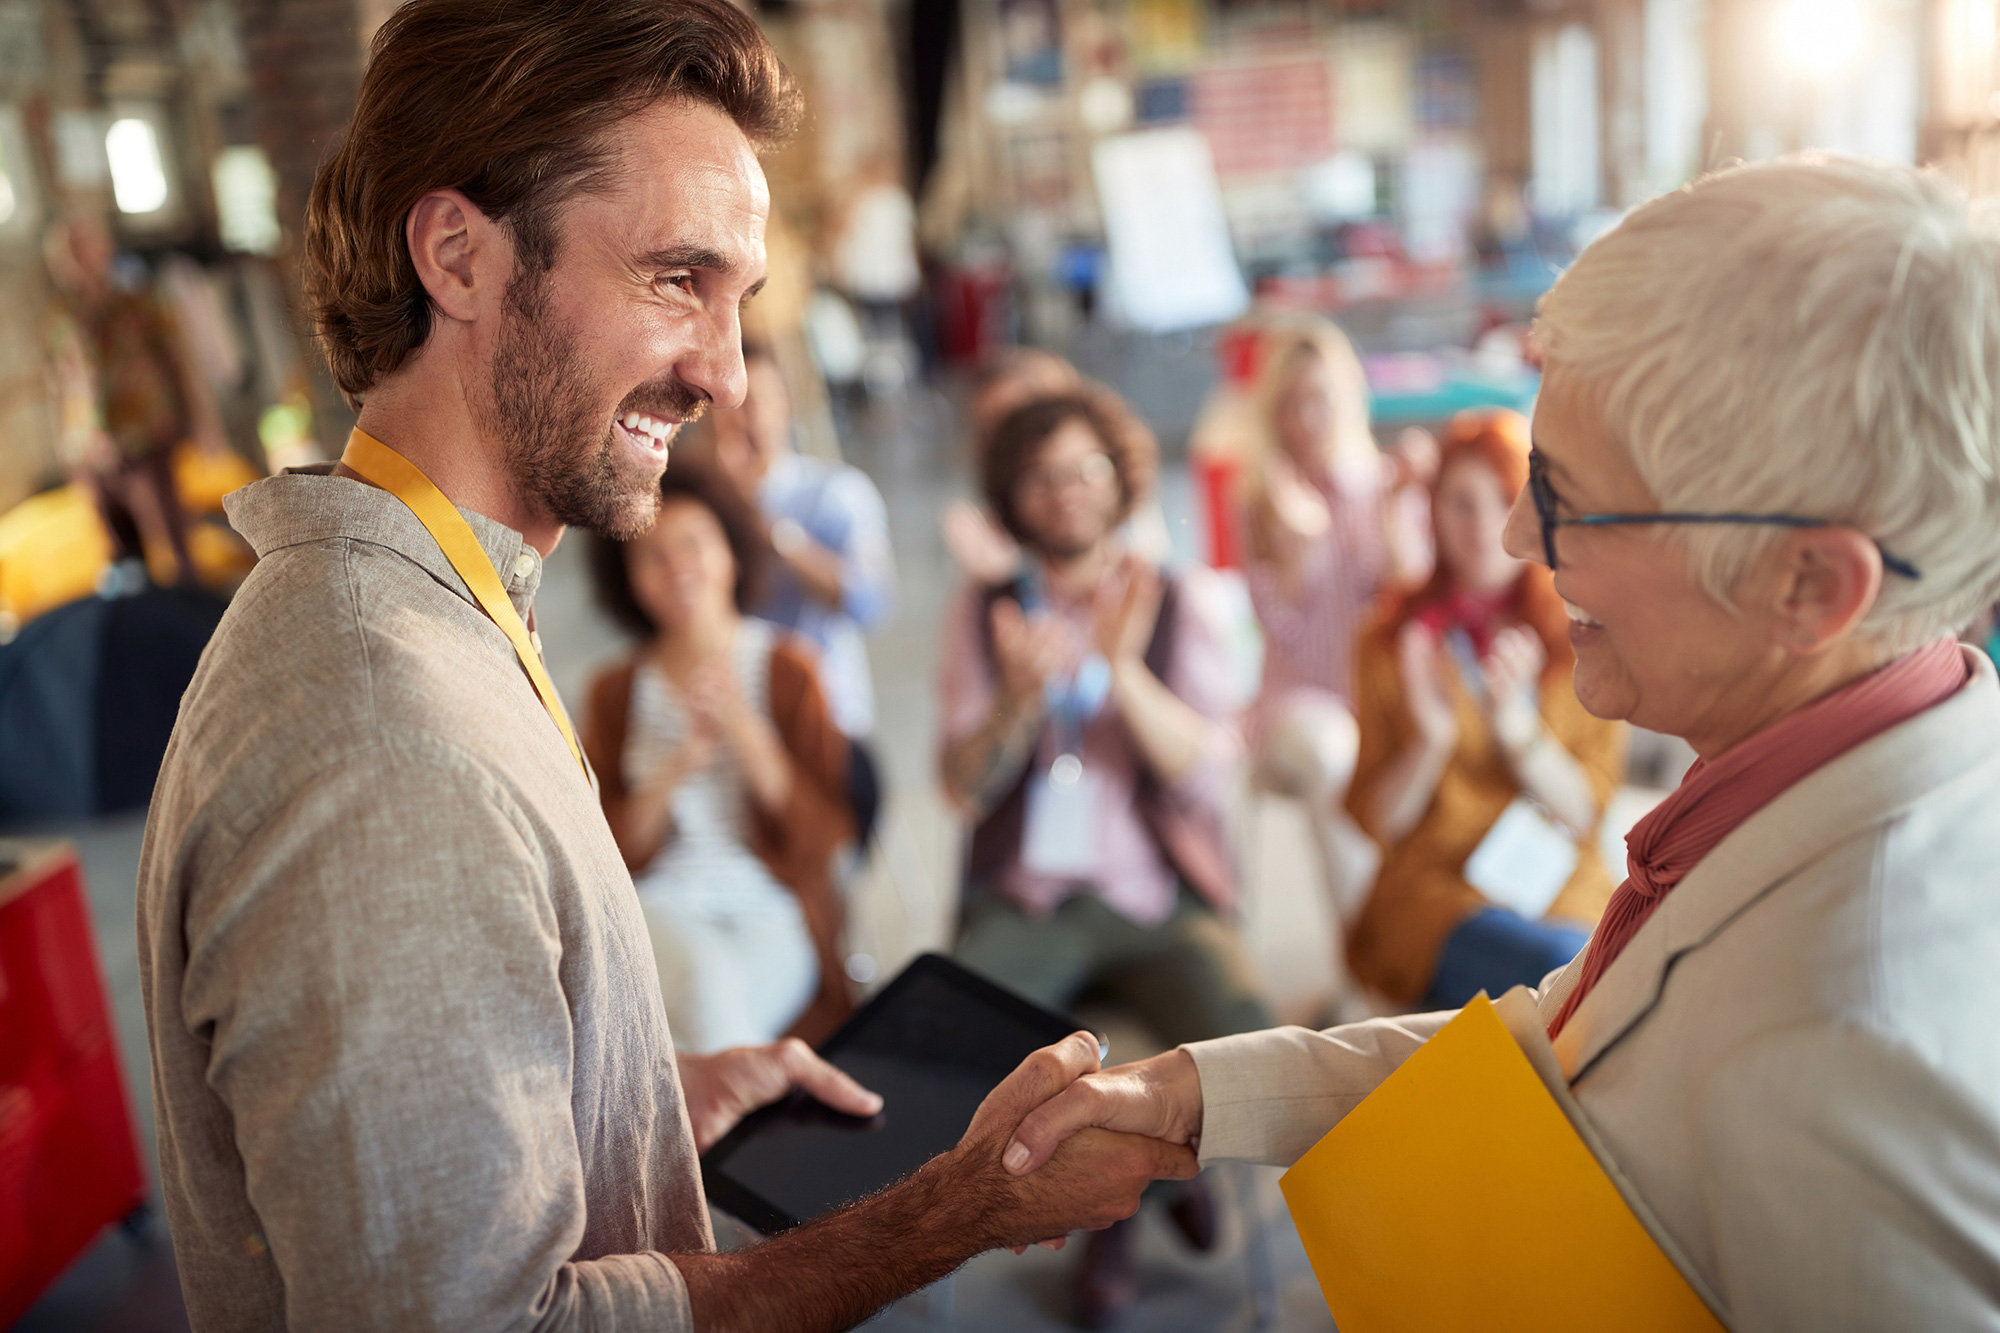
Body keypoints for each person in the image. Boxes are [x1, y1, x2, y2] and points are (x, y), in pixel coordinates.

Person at [136, 4, 1194, 1330]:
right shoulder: (379, 736)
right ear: (459, 255)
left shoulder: (435, 617)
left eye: (738, 299)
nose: (730, 377)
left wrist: (634, 1107)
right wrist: (946, 1216)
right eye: (673, 278)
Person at [994, 157, 2000, 1329]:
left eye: (1568, 499)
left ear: (1808, 582)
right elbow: (1560, 1048)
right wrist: (1188, 1092)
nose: (1521, 535)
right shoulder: (1826, 772)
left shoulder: (1853, 1046)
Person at [938, 387, 1272, 1326]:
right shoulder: (983, 610)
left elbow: (1208, 776)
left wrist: (1123, 673)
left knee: (1245, 1030)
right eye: (1043, 476)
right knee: (946, 1048)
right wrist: (1012, 700)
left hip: (1154, 890)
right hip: (1032, 896)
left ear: (1118, 477)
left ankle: (1136, 1206)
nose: (1067, 492)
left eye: (1085, 469)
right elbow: (961, 786)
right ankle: (1140, 1196)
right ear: (1014, 493)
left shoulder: (1178, 598)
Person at [1341, 409, 1625, 1008]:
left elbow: (1587, 813)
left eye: (1503, 501)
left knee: (1605, 969)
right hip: (1437, 891)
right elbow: (1378, 823)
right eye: (1461, 504)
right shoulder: (1392, 637)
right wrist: (1431, 741)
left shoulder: (1586, 627)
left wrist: (1520, 734)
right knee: (1559, 978)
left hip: (1560, 885)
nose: (1484, 527)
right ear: (1433, 509)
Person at [582, 465, 852, 1051]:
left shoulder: (789, 669)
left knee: (702, 1023)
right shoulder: (615, 691)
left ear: (731, 554)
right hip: (662, 907)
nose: (676, 567)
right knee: (704, 988)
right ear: (628, 578)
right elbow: (605, 857)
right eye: (652, 555)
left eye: (693, 545)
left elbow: (825, 839)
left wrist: (747, 735)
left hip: (773, 913)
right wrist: (679, 763)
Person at [1236, 316, 1433, 923]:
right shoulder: (1261, 504)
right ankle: (1365, 952)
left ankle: (1422, 938)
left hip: (1378, 697)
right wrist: (1301, 552)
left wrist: (1402, 510)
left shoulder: (1383, 487)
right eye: (1292, 404)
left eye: (1320, 400)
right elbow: (1280, 633)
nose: (1308, 420)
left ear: (1347, 399)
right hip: (1296, 705)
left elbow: (1412, 606)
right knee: (1333, 753)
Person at [710, 341, 895, 741]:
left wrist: (770, 529)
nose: (742, 420)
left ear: (785, 405)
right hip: (735, 728)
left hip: (828, 716)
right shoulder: (698, 509)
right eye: (727, 407)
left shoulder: (837, 492)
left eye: (754, 402)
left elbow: (870, 602)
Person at [43, 215, 225, 591]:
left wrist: (204, 424)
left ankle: (190, 614)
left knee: (173, 545)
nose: (75, 262)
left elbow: (180, 364)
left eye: (82, 250)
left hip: (146, 437)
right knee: (122, 557)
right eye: (65, 256)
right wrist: (66, 443)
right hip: (91, 449)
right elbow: (59, 384)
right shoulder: (61, 320)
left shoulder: (141, 304)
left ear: (104, 250)